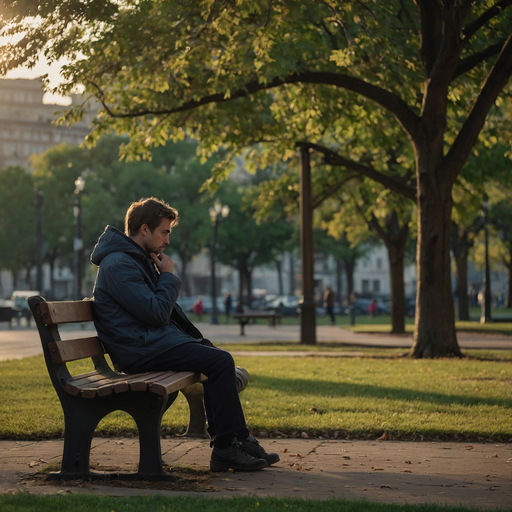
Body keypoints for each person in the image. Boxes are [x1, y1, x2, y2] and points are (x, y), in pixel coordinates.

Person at [90, 197, 278, 472]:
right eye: (164, 232)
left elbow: (154, 314)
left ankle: (237, 440)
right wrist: (167, 275)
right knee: (219, 362)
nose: (167, 241)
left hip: (145, 344)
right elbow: (156, 312)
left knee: (215, 358)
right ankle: (227, 447)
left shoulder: (134, 259)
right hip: (138, 351)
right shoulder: (120, 264)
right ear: (144, 229)